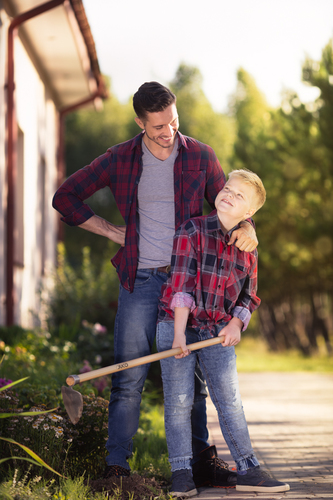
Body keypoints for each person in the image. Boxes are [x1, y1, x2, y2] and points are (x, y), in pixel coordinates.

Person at [52, 82, 258, 486]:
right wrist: (112, 230)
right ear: (139, 122)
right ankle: (117, 468)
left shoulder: (200, 155)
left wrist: (250, 227)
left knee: (193, 375)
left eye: (173, 121)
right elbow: (66, 197)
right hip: (141, 281)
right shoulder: (120, 158)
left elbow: (231, 202)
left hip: (190, 281)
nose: (169, 133)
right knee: (129, 376)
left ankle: (200, 464)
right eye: (159, 126)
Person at [157, 169, 290, 497]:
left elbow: (250, 295)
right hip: (177, 324)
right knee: (178, 401)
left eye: (239, 195)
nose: (228, 194)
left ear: (249, 214)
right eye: (227, 188)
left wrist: (236, 323)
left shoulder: (249, 247)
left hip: (217, 329)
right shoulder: (192, 230)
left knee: (229, 399)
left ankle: (248, 468)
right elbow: (181, 286)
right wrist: (178, 336)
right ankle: (181, 473)